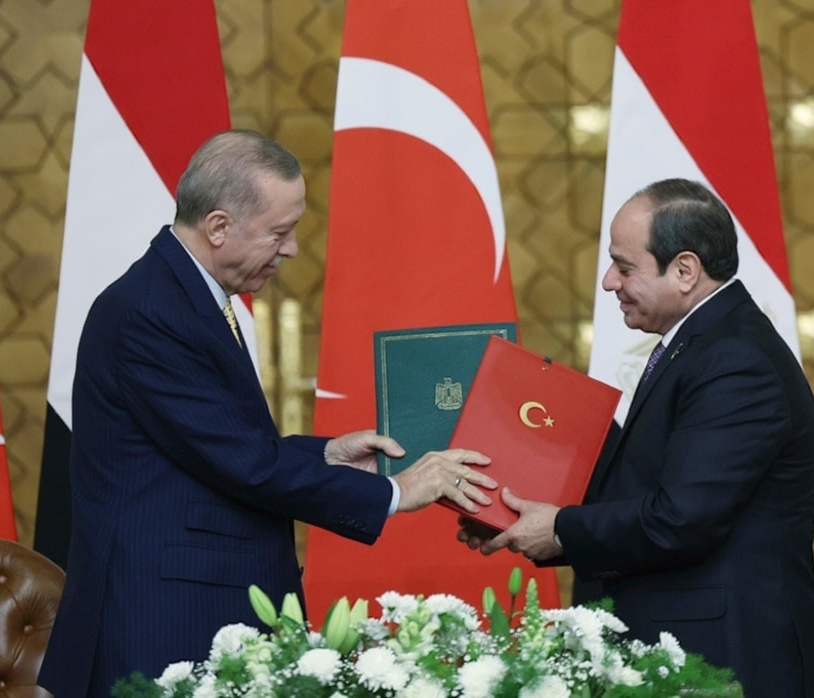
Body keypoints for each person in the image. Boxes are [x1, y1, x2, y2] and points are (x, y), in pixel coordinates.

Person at [37, 129, 496, 697]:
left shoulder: (185, 297)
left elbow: (217, 444)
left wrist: (326, 453)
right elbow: (243, 464)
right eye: (279, 232)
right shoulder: (151, 313)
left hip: (192, 604)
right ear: (220, 226)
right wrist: (398, 492)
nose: (293, 249)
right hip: (162, 618)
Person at [459, 178, 814, 697]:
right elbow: (645, 488)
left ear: (684, 270)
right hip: (685, 648)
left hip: (724, 660)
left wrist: (559, 527)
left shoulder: (735, 361)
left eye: (624, 267)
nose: (609, 282)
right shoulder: (703, 346)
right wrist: (517, 517)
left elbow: (680, 519)